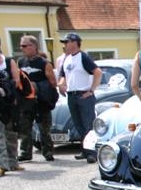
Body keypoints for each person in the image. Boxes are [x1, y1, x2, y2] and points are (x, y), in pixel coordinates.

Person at [56, 32, 101, 161]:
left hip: (83, 94)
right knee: (78, 124)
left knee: (88, 124)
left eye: (67, 42)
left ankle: (92, 152)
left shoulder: (83, 57)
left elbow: (97, 72)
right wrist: (61, 84)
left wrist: (91, 90)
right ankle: (84, 150)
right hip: (71, 95)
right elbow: (63, 75)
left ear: (75, 43)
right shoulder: (66, 58)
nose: (65, 45)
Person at [17, 35, 57, 162]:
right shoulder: (21, 62)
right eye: (21, 46)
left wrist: (41, 91)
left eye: (24, 46)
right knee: (25, 128)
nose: (21, 48)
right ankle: (25, 153)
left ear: (33, 46)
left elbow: (52, 83)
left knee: (44, 128)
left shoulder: (44, 63)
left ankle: (48, 152)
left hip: (41, 101)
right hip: (26, 101)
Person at [0, 33, 24, 177]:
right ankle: (1, 164)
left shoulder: (9, 61)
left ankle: (13, 162)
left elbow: (16, 80)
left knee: (11, 132)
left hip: (9, 101)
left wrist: (6, 88)